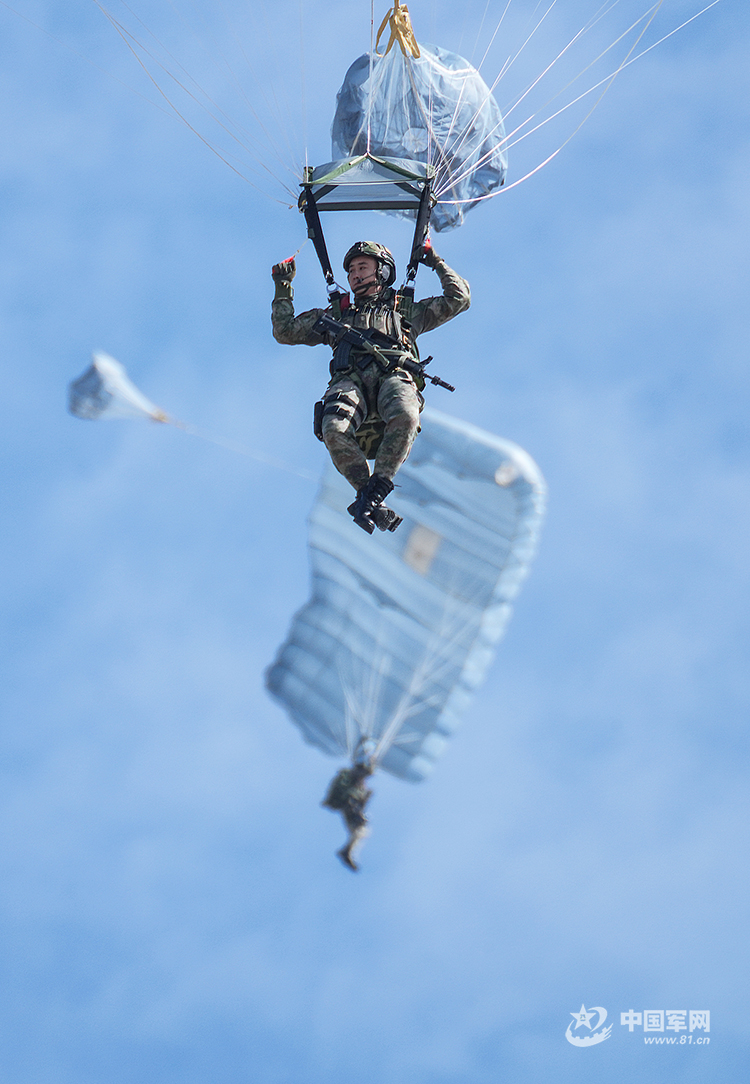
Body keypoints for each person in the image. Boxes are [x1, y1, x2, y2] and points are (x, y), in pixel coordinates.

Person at [271, 240, 470, 532]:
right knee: (332, 428)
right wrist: (283, 286)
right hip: (349, 381)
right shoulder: (336, 315)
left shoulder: (406, 311)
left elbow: (459, 298)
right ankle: (371, 497)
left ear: (382, 271)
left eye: (362, 267)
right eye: (351, 270)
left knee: (406, 414)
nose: (355, 274)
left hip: (394, 376)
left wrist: (435, 261)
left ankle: (373, 494)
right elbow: (285, 331)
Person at [321, 759, 375, 871]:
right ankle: (346, 851)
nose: (363, 778)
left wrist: (365, 799)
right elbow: (343, 793)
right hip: (345, 804)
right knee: (360, 829)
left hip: (351, 806)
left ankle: (347, 850)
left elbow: (360, 803)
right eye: (363, 775)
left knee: (362, 830)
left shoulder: (359, 785)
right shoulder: (345, 777)